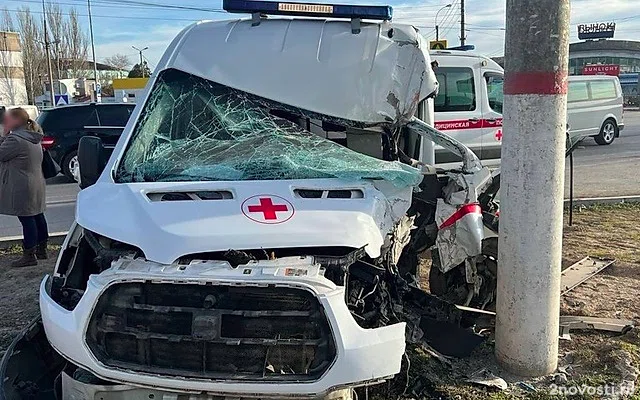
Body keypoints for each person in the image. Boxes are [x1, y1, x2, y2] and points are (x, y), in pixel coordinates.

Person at [0, 107, 49, 267]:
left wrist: (3, 135)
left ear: (16, 121)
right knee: (37, 216)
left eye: (8, 119)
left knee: (27, 218)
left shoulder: (16, 140)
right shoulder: (32, 137)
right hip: (35, 182)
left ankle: (29, 255)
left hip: (22, 185)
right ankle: (42, 250)